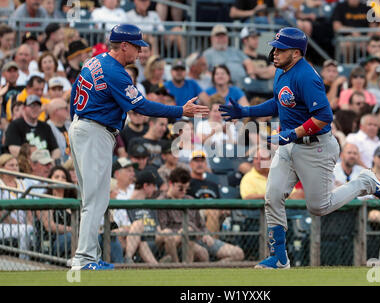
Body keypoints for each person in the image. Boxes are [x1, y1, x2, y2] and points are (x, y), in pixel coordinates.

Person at [219, 27, 380, 269]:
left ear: (296, 53)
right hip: (290, 145)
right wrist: (246, 112)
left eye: (280, 48)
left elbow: (324, 117)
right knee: (273, 196)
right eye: (275, 47)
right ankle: (279, 257)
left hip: (315, 147)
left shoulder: (306, 76)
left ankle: (366, 183)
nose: (274, 52)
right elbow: (279, 101)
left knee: (318, 207)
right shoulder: (282, 71)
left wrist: (293, 133)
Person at [68, 24, 209, 271]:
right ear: (124, 45)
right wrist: (180, 111)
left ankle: (89, 256)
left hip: (84, 127)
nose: (140, 52)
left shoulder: (95, 61)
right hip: (93, 131)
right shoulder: (115, 71)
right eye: (136, 46)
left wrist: (75, 124)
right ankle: (84, 260)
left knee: (92, 199)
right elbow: (140, 106)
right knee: (95, 200)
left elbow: (73, 94)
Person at [158, 167, 244, 262]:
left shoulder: (190, 200)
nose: (184, 192)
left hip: (199, 237)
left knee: (238, 253)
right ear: (171, 184)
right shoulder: (162, 201)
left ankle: (212, 270)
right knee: (201, 252)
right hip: (178, 241)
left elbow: (200, 224)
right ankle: (179, 267)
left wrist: (205, 234)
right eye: (180, 188)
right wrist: (183, 231)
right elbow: (164, 229)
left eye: (186, 188)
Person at [5, 95, 60, 160]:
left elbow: (56, 150)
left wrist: (51, 161)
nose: (35, 109)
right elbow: (13, 149)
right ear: (24, 108)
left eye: (38, 106)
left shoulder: (46, 126)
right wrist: (34, 161)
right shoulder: (15, 125)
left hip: (46, 163)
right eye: (32, 106)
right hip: (25, 164)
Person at [0, 153, 33, 259]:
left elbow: (28, 209)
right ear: (2, 167)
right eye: (11, 165)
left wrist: (29, 223)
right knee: (25, 230)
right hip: (3, 225)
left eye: (16, 165)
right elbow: (1, 213)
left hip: (22, 225)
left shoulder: (22, 183)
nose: (15, 168)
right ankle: (24, 261)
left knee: (30, 229)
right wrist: (18, 225)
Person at [46, 98, 71, 163]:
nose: (68, 110)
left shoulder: (69, 125)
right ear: (56, 111)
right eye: (65, 108)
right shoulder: (47, 128)